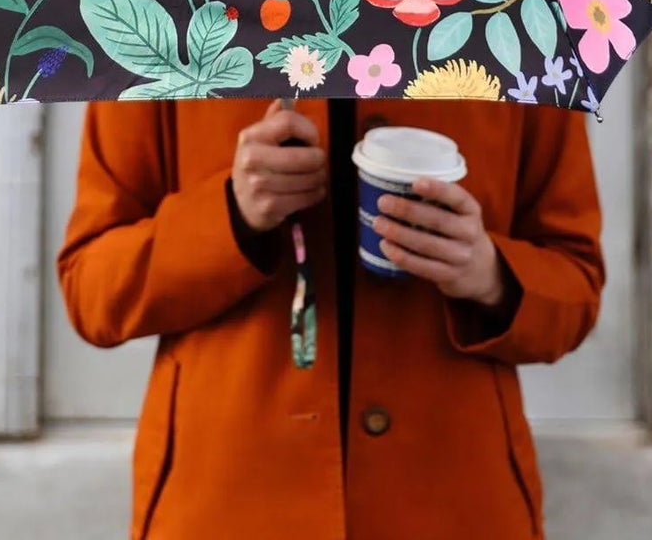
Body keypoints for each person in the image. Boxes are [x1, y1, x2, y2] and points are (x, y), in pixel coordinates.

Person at [58, 94, 604, 540]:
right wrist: (229, 214)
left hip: (456, 499)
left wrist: (491, 275)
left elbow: (575, 283)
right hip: (224, 503)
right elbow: (92, 289)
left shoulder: (506, 5)